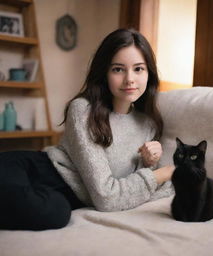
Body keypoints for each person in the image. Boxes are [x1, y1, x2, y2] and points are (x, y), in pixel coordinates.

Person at [0, 28, 174, 231]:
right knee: (50, 211)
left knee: (56, 212)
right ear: (105, 72)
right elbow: (107, 198)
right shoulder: (83, 109)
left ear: (149, 73)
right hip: (30, 171)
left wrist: (149, 165)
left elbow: (138, 190)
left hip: (60, 198)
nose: (130, 79)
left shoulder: (148, 124)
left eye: (138, 69)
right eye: (118, 69)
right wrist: (161, 174)